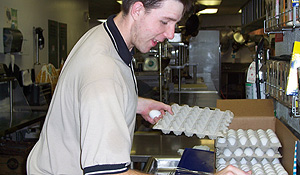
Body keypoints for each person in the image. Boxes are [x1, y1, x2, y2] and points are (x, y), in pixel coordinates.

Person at [27, 0, 251, 175]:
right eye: (165, 22)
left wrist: (136, 103)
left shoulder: (104, 35)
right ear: (137, 10)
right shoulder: (105, 73)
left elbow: (87, 96)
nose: (171, 34)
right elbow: (107, 174)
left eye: (175, 24)